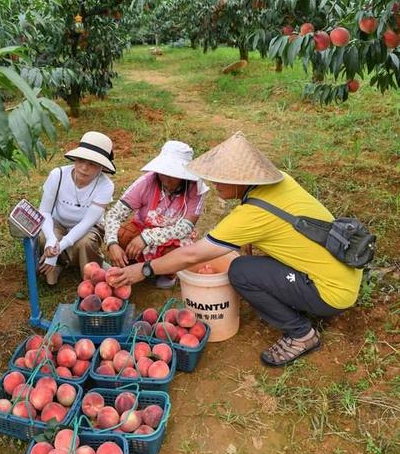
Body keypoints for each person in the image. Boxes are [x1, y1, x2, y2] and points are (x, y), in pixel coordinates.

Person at [109, 132, 364, 367]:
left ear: (241, 180)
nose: (214, 183)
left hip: (331, 292)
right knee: (252, 265)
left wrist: (144, 270)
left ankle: (302, 334)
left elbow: (192, 254)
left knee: (241, 271)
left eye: (221, 178)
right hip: (342, 271)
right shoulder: (281, 183)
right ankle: (300, 296)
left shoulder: (251, 215)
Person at [104, 141, 209, 289]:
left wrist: (148, 237)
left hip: (172, 237)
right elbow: (114, 214)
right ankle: (135, 264)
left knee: (177, 253)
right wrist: (112, 244)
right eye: (163, 172)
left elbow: (185, 227)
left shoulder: (195, 189)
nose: (166, 178)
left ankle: (166, 273)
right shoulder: (147, 182)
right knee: (123, 235)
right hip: (142, 229)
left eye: (173, 174)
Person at [38, 131, 115, 285]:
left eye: (92, 164)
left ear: (101, 167)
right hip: (59, 222)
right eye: (81, 160)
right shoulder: (57, 175)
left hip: (90, 228)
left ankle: (91, 273)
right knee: (43, 235)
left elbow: (87, 223)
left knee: (85, 243)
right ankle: (58, 263)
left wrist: (62, 244)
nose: (84, 168)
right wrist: (52, 239)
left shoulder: (106, 186)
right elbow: (44, 211)